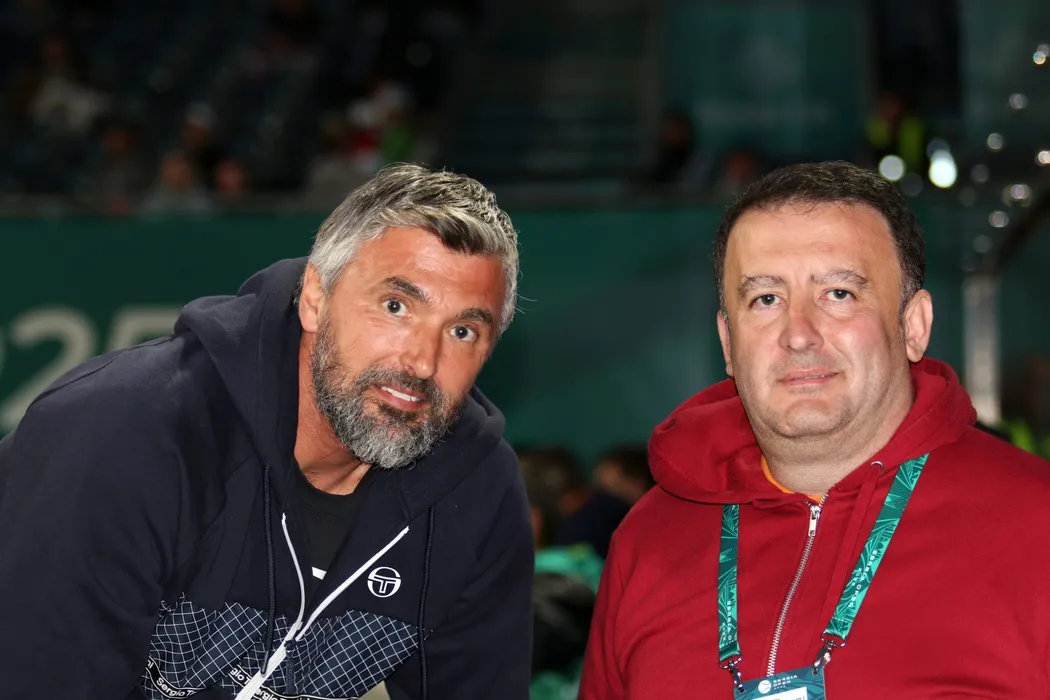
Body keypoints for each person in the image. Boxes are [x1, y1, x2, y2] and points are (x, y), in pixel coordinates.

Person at [0, 164, 534, 700]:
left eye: (463, 331)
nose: (422, 362)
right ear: (315, 298)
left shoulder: (478, 493)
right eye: (395, 307)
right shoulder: (126, 435)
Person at [580, 161, 1050, 699]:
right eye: (766, 299)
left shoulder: (1036, 525)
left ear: (913, 326)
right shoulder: (648, 540)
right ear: (729, 343)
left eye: (839, 293)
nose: (799, 335)